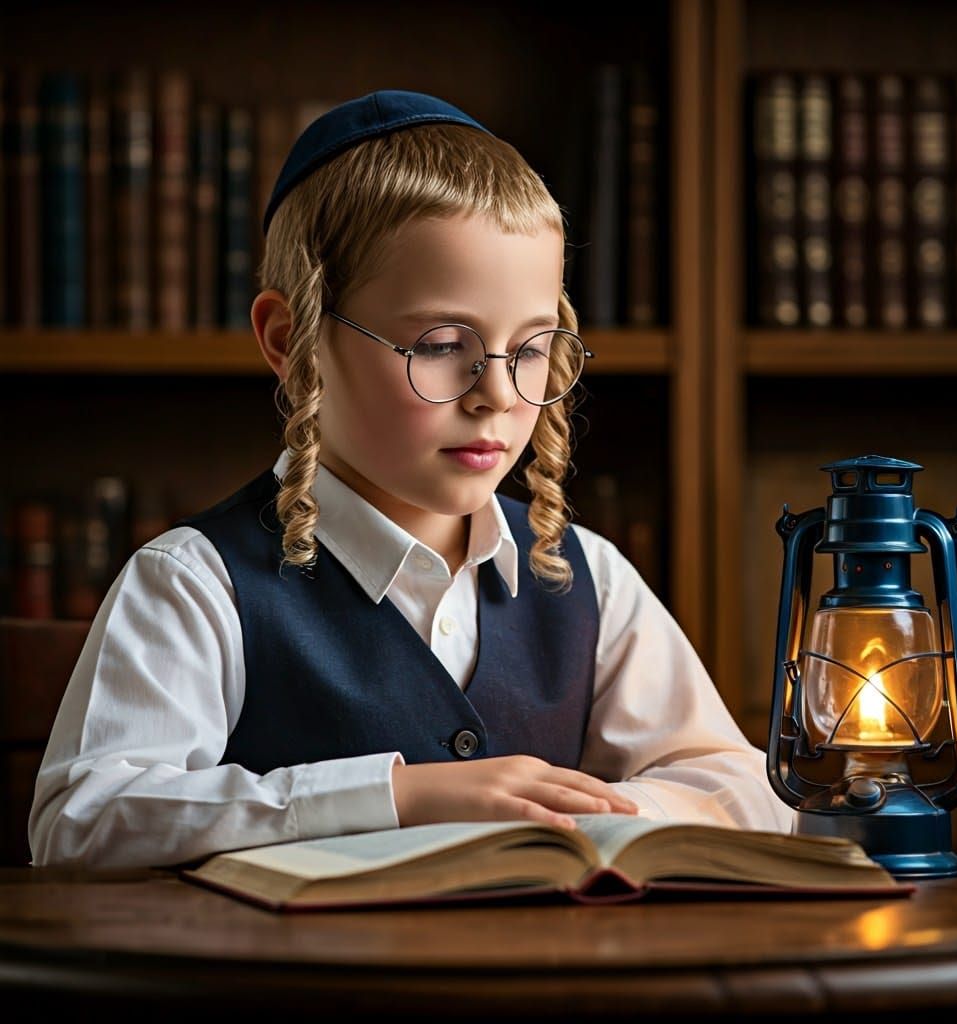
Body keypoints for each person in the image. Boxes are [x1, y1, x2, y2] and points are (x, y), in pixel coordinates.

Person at [29, 90, 794, 868]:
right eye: (440, 343)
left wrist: (594, 814)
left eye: (530, 349)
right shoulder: (196, 584)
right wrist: (399, 798)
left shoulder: (589, 576)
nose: (495, 394)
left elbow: (744, 788)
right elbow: (82, 819)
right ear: (291, 341)